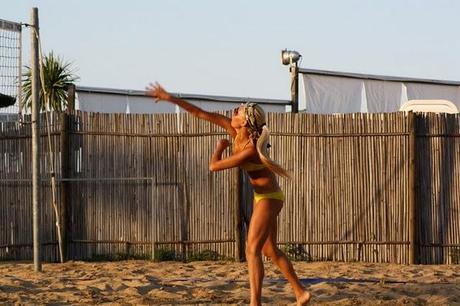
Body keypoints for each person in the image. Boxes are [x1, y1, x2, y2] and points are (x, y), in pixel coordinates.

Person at [146, 82, 311, 306]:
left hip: (270, 198)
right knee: (269, 249)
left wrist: (220, 147)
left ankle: (255, 303)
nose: (236, 109)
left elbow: (214, 166)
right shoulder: (235, 132)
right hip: (264, 197)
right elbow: (199, 113)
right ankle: (300, 292)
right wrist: (169, 98)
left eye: (240, 110)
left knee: (251, 249)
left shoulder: (250, 149)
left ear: (245, 121)